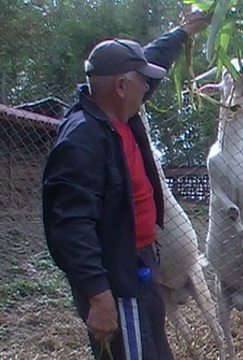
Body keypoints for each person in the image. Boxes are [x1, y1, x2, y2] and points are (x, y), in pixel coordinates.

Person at [42, 11, 208, 360]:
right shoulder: (83, 139)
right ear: (121, 86)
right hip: (117, 277)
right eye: (142, 81)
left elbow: (151, 60)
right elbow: (70, 225)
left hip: (139, 263)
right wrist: (98, 295)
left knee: (155, 351)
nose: (148, 87)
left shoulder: (118, 113)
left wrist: (183, 32)